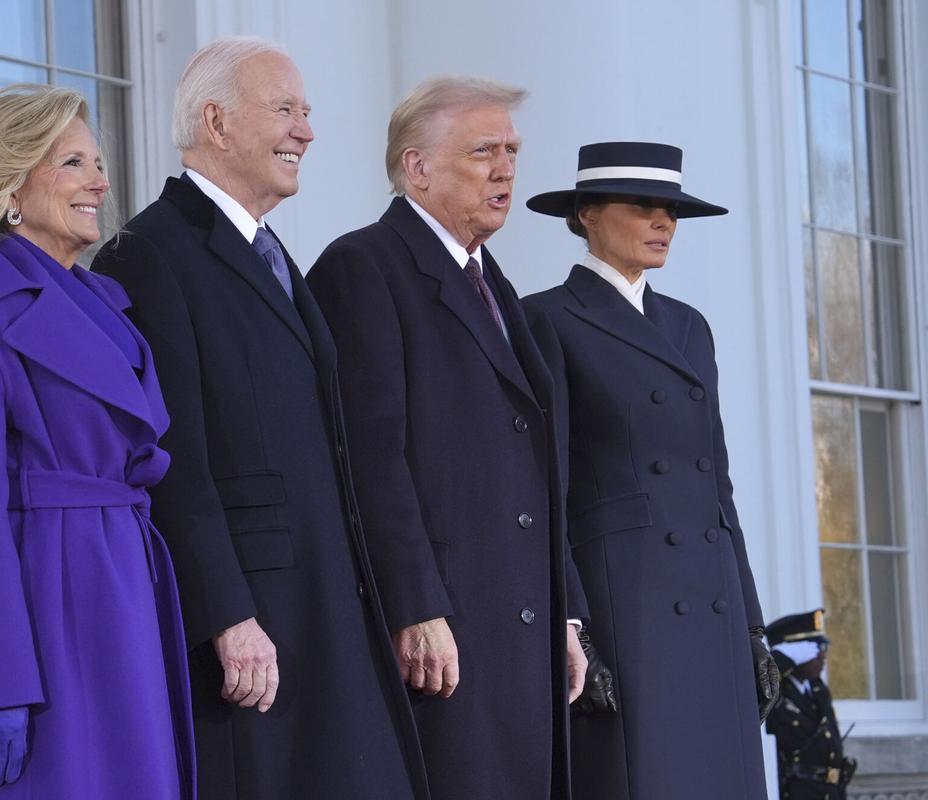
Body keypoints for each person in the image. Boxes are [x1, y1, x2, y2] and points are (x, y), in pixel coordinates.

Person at [91, 38, 428, 800]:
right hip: (254, 635)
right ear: (216, 122)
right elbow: (171, 453)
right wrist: (227, 614)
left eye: (305, 113)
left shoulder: (270, 252)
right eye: (285, 111)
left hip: (330, 604)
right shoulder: (147, 254)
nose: (306, 132)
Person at [306, 76, 590, 800]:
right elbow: (371, 457)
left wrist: (566, 608)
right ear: (417, 168)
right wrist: (415, 606)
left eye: (512, 151)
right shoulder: (364, 266)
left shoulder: (493, 281)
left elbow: (536, 464)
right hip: (447, 629)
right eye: (483, 152)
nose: (505, 170)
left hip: (521, 623)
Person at [0, 85, 194, 798]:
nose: (100, 182)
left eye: (97, 163)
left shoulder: (104, 305)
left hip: (122, 587)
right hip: (49, 609)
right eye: (73, 163)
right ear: (11, 183)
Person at [520, 141, 781, 799]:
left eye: (671, 210)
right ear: (587, 214)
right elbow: (543, 486)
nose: (663, 223)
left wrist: (751, 623)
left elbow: (717, 487)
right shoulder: (545, 318)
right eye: (644, 207)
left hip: (711, 601)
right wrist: (571, 623)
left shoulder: (691, 327)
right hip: (626, 605)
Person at [766, 609, 857, 799]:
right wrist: (779, 659)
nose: (822, 657)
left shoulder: (817, 689)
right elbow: (754, 680)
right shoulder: (776, 691)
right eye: (814, 649)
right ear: (794, 653)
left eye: (823, 649)